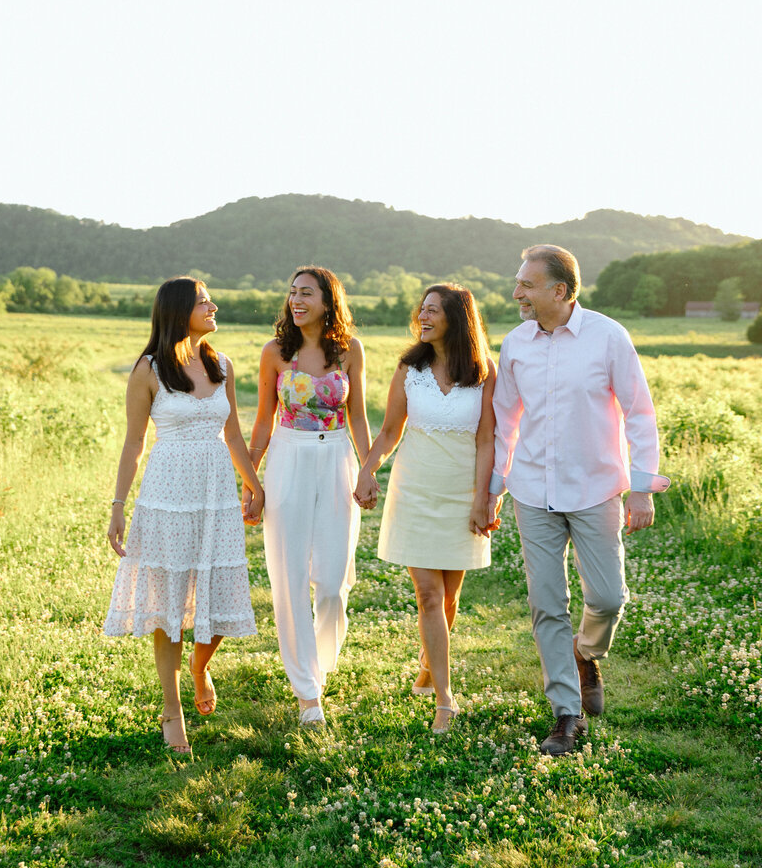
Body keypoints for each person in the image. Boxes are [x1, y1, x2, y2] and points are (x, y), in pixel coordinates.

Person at [490, 245, 670, 755]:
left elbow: (639, 412)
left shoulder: (608, 336)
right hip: (532, 489)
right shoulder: (516, 344)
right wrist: (496, 486)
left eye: (526, 284)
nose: (517, 292)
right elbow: (505, 419)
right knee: (547, 603)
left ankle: (585, 652)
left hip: (595, 488)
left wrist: (642, 485)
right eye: (518, 282)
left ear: (560, 291)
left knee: (610, 598)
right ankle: (566, 714)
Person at [105, 278, 263, 755]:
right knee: (169, 603)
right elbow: (134, 442)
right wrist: (117, 506)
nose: (213, 306)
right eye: (202, 301)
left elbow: (233, 435)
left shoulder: (222, 364)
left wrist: (255, 485)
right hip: (167, 493)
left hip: (216, 493)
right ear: (178, 311)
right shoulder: (149, 369)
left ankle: (200, 666)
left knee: (217, 593)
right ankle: (172, 710)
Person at [354, 284, 497, 734]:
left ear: (457, 317)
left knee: (450, 596)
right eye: (423, 309)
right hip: (414, 488)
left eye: (434, 310)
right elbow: (390, 431)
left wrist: (482, 498)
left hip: (462, 493)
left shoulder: (483, 371)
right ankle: (445, 699)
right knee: (429, 595)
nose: (424, 316)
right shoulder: (409, 367)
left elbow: (487, 439)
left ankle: (428, 663)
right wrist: (367, 469)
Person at [249, 267, 372, 728]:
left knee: (334, 584)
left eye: (307, 293)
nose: (296, 300)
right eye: (292, 293)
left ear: (327, 301)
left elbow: (357, 417)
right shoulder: (275, 353)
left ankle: (318, 665)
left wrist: (367, 469)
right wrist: (253, 481)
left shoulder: (350, 351)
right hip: (288, 459)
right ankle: (307, 691)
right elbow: (263, 421)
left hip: (337, 457)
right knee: (290, 576)